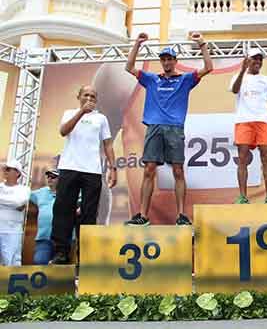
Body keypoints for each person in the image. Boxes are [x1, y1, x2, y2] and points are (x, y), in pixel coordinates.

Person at [124, 32, 213, 226]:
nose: (166, 62)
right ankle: (143, 216)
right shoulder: (151, 79)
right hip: (154, 127)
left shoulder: (185, 80)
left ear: (175, 61)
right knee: (149, 170)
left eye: (169, 59)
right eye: (163, 59)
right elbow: (129, 67)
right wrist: (137, 44)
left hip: (174, 128)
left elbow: (208, 67)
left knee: (178, 171)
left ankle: (181, 215)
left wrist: (201, 44)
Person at [50, 85, 117, 264]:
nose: (89, 99)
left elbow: (108, 144)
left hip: (92, 171)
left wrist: (113, 168)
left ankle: (86, 255)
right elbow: (64, 131)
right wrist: (81, 112)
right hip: (69, 167)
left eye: (93, 97)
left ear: (97, 100)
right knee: (63, 209)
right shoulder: (69, 113)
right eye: (86, 95)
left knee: (89, 213)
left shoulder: (101, 118)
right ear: (78, 96)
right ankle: (61, 252)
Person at [230, 48, 267, 204]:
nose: (258, 62)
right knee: (242, 159)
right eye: (254, 59)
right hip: (243, 121)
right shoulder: (238, 77)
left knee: (266, 158)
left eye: (260, 59)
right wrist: (241, 71)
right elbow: (234, 90)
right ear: (247, 60)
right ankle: (242, 197)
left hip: (262, 122)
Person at [0, 159, 30, 266]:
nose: (5, 171)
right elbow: (16, 203)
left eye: (8, 169)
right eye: (5, 169)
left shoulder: (24, 189)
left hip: (12, 231)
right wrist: (12, 203)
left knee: (11, 262)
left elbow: (19, 202)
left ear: (17, 173)